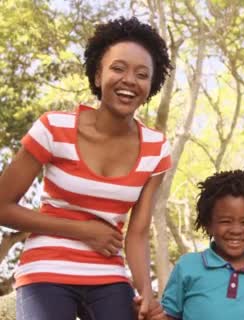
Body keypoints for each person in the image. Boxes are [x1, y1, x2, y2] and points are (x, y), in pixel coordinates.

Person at [0, 17, 172, 320]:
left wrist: (145, 291)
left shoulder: (156, 149)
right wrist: (82, 230)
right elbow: (2, 206)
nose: (130, 80)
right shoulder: (54, 128)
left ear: (151, 85)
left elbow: (138, 233)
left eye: (142, 74)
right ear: (97, 75)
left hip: (108, 273)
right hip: (46, 267)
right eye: (118, 68)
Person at [135, 170, 244, 320]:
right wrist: (148, 314)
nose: (236, 230)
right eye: (226, 221)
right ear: (208, 224)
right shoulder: (188, 266)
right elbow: (169, 316)